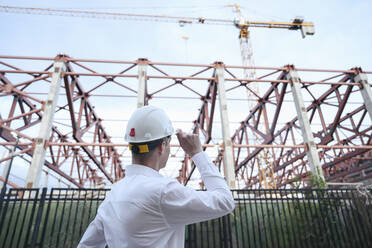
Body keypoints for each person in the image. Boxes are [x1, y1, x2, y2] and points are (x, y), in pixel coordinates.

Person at [78, 105, 235, 248]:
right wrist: (197, 153)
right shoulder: (163, 191)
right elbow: (225, 201)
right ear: (162, 146)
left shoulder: (114, 193)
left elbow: (87, 245)